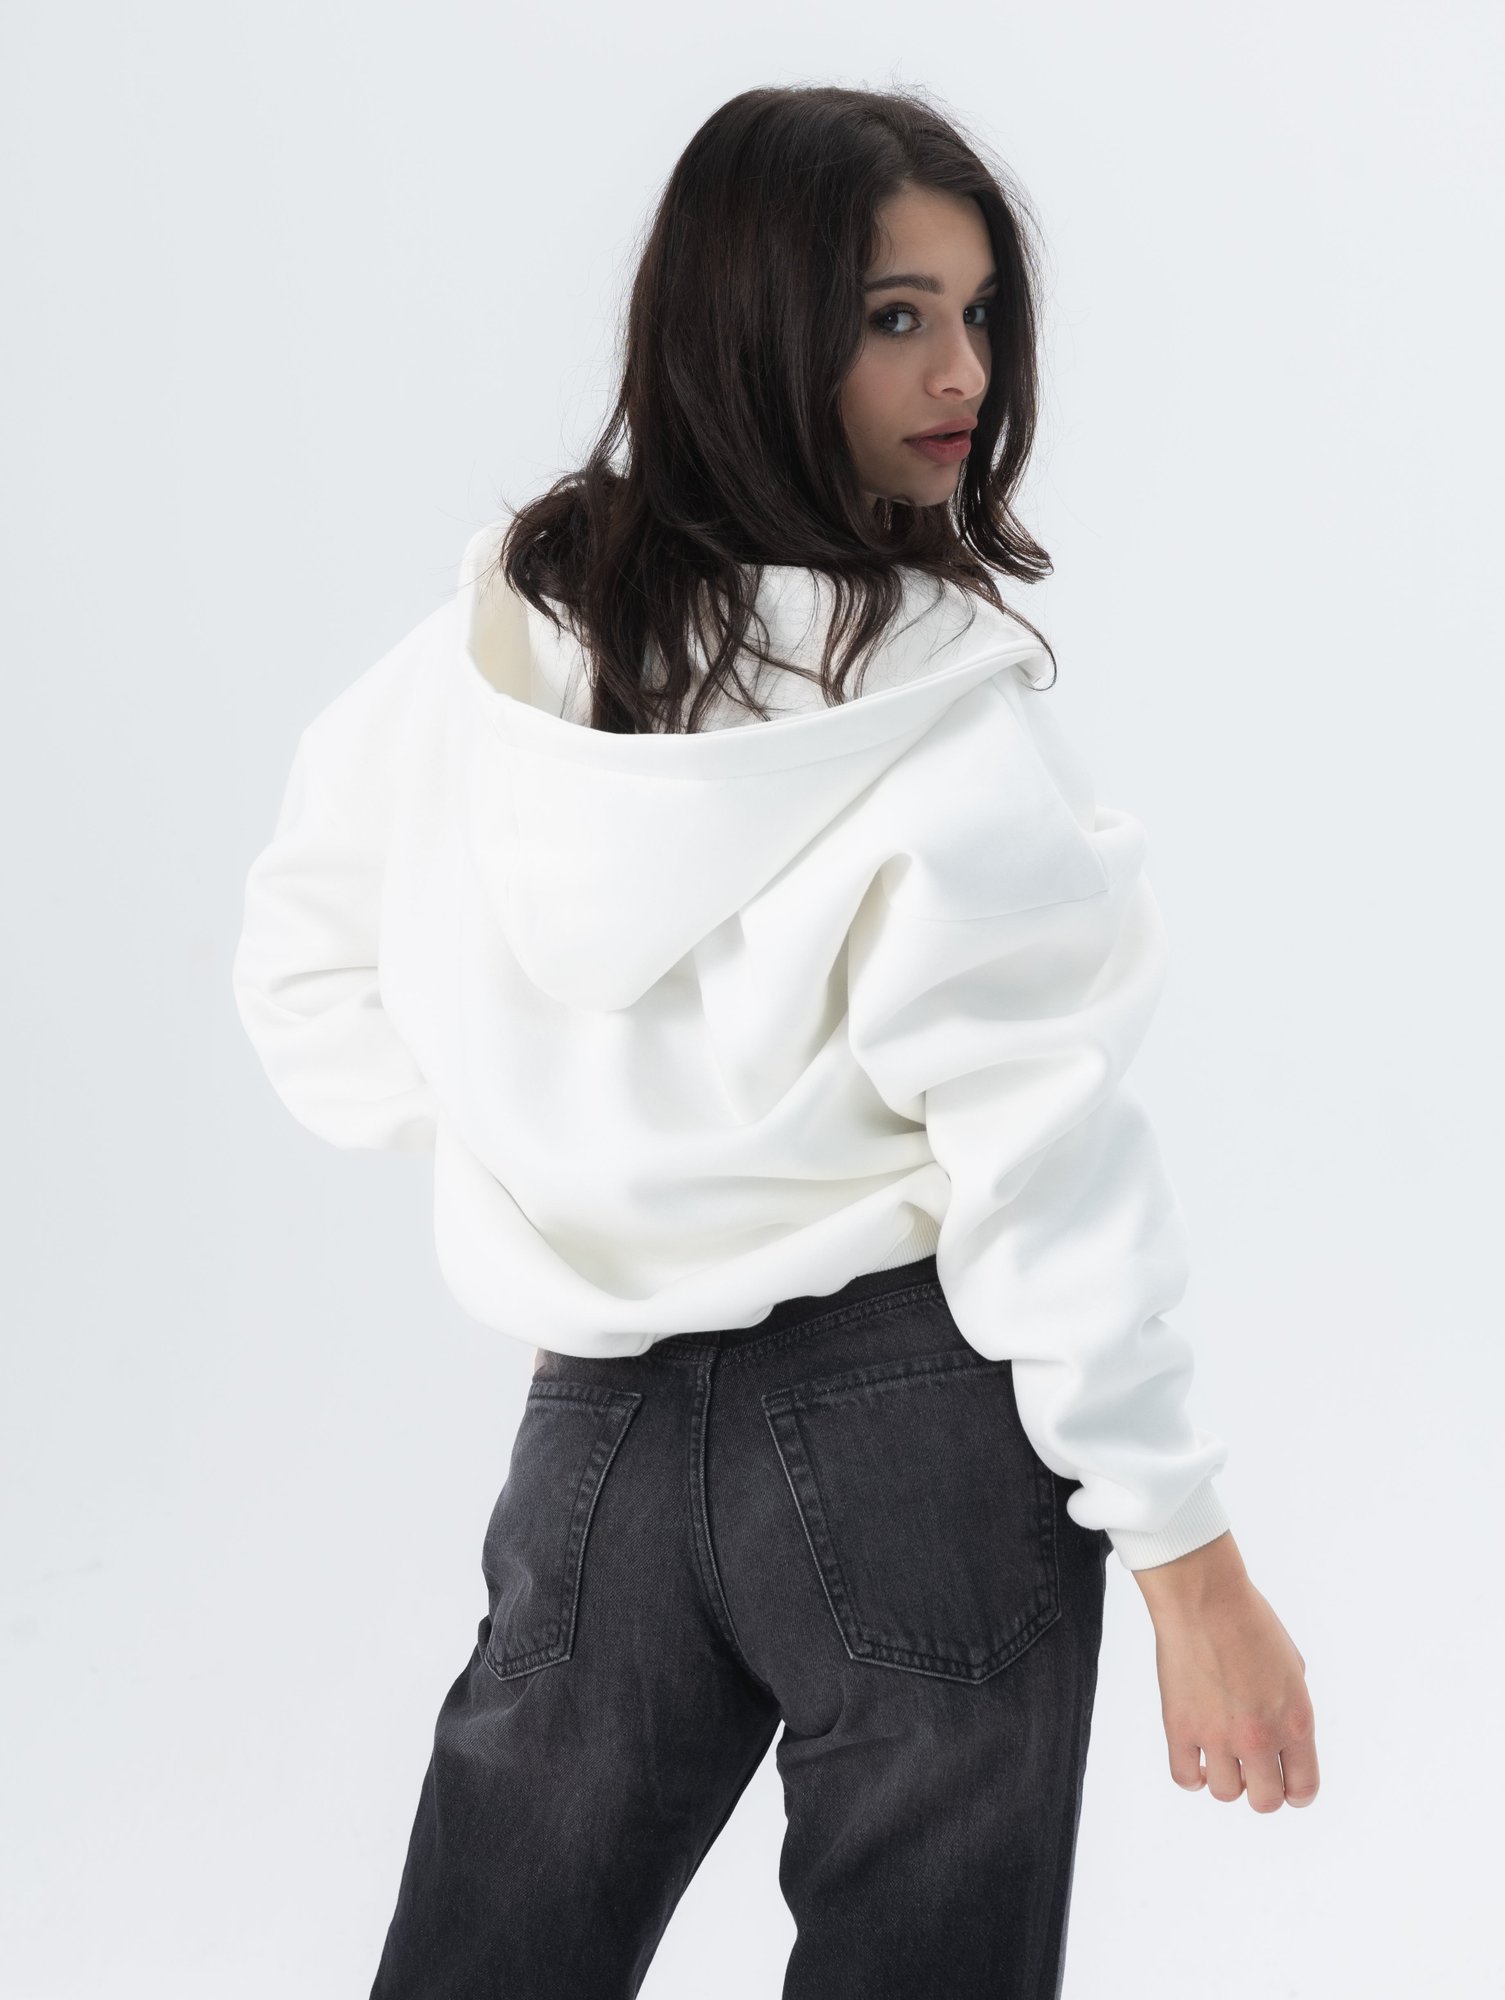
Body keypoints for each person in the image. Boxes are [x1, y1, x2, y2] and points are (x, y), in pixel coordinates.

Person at [232, 82, 1318, 2000]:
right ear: (754, 322)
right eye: (895, 316)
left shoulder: (502, 653)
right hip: (914, 1418)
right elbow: (1042, 1168)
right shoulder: (941, 716)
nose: (962, 372)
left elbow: (307, 971)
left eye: (978, 314)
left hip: (601, 1418)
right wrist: (1192, 1560)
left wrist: (565, 1163)